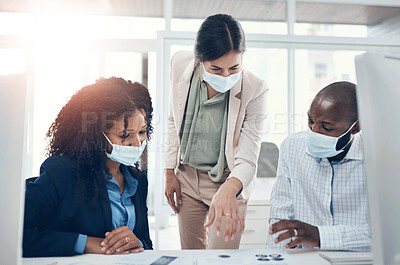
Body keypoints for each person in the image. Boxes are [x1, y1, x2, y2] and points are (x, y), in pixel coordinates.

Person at [164, 14, 268, 249]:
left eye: (234, 68)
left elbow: (248, 158)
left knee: (222, 259)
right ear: (200, 60)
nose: (226, 76)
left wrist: (229, 189)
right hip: (187, 180)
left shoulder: (256, 89)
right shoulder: (180, 64)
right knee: (191, 256)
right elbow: (173, 118)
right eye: (216, 69)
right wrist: (169, 172)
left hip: (227, 181)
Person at [23, 77, 153, 257]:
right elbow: (15, 232)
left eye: (142, 132)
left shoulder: (137, 179)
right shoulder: (61, 172)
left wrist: (137, 242)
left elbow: (145, 242)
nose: (137, 144)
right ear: (96, 135)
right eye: (125, 135)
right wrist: (85, 242)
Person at [267, 81, 371, 251]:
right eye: (311, 121)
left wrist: (321, 236)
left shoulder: (379, 158)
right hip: (304, 260)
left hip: (355, 259)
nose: (314, 131)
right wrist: (275, 258)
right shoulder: (292, 147)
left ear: (356, 127)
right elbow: (280, 217)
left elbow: (385, 234)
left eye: (326, 126)